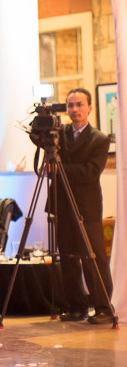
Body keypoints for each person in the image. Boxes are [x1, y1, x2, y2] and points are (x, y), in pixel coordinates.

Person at [50, 88, 113, 324]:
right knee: (67, 257)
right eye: (70, 105)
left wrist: (59, 169)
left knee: (93, 257)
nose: (74, 110)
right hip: (63, 204)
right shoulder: (59, 134)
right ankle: (76, 307)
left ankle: (103, 308)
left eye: (79, 105)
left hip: (87, 208)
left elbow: (90, 172)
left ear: (89, 108)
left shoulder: (99, 139)